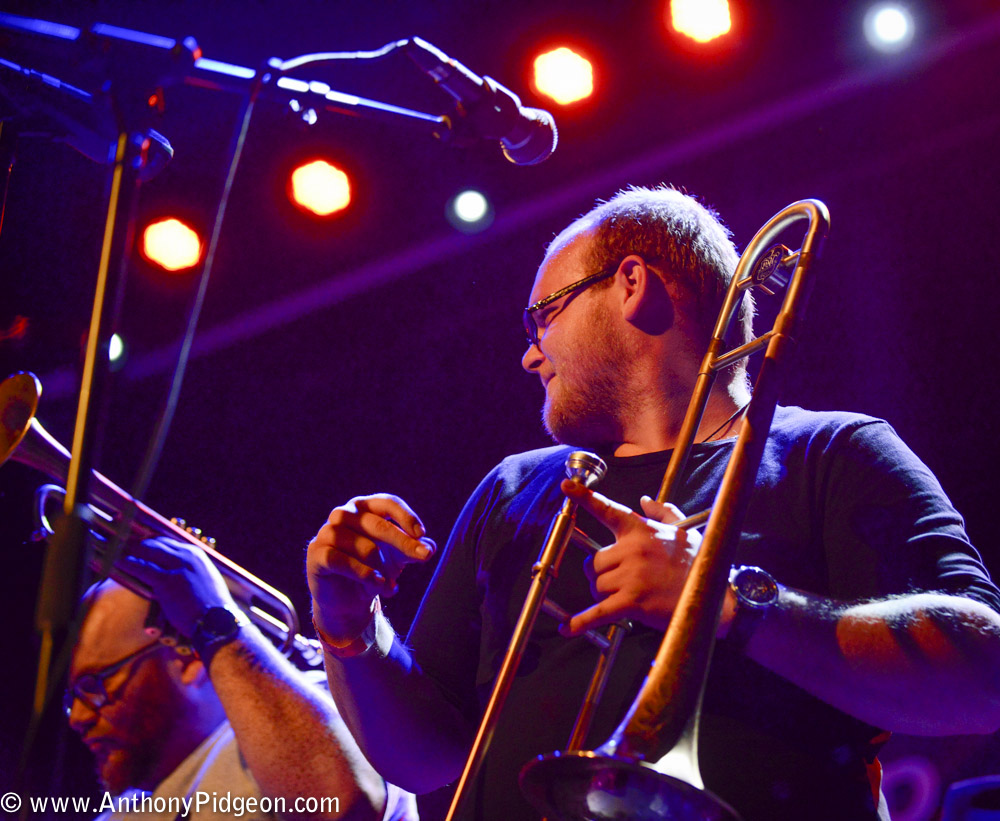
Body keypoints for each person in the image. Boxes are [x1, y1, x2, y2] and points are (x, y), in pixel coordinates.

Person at [306, 186, 1000, 820]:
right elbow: (422, 763)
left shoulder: (833, 451)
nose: (530, 356)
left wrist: (725, 599)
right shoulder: (511, 487)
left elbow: (986, 676)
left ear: (632, 284)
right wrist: (350, 625)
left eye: (542, 317)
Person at [67, 537, 417, 820]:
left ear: (188, 659)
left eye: (94, 687)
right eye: (72, 699)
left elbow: (340, 809)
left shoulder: (316, 704)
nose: (78, 718)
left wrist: (212, 622)